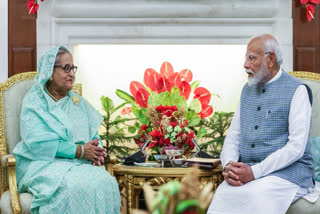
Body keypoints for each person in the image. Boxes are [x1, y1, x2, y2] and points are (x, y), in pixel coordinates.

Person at [207, 34, 316, 214]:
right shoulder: (246, 90)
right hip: (250, 171)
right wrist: (230, 166)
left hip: (288, 173)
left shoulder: (297, 90)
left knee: (258, 193)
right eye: (245, 58)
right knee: (224, 192)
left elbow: (296, 147)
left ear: (271, 58)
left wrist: (255, 172)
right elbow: (234, 135)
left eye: (251, 58)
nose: (245, 65)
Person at [13, 46, 121, 214]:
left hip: (78, 164)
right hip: (42, 163)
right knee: (72, 186)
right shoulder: (35, 103)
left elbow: (93, 135)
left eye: (73, 68)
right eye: (66, 68)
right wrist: (79, 150)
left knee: (106, 181)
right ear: (50, 72)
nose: (71, 73)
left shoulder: (78, 102)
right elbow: (37, 144)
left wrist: (97, 151)